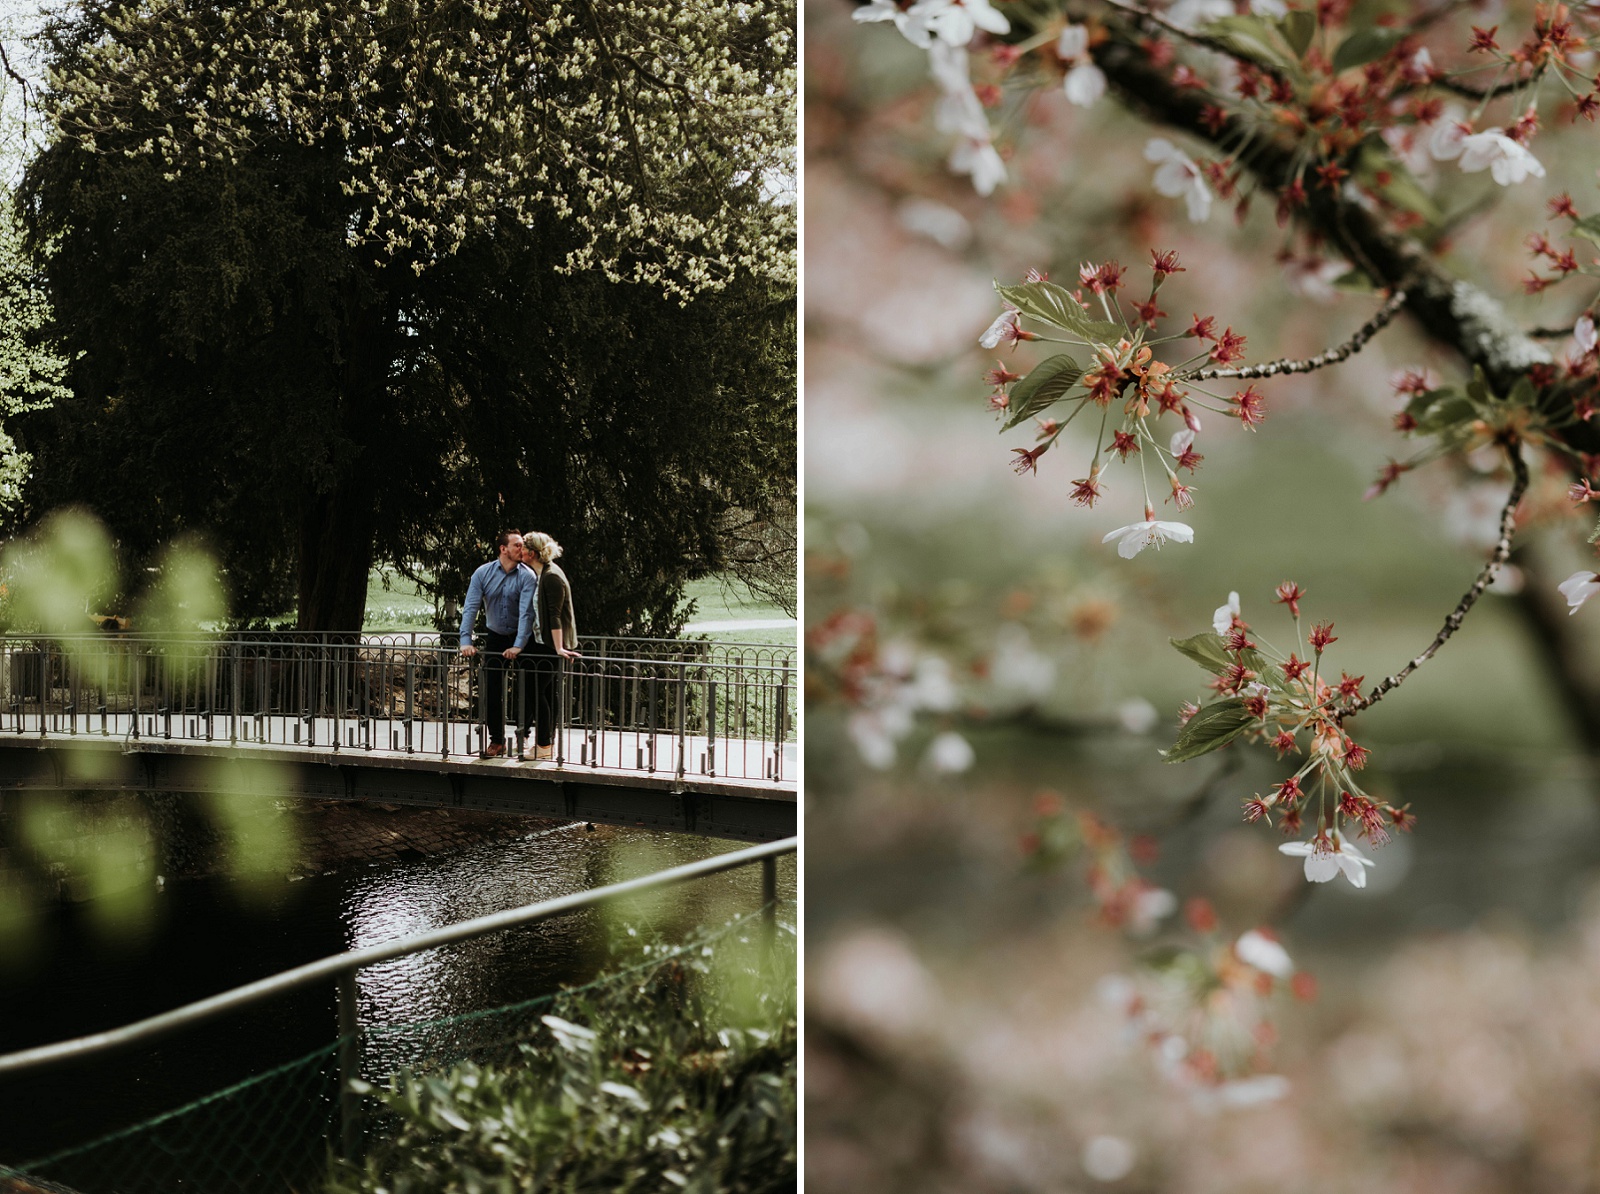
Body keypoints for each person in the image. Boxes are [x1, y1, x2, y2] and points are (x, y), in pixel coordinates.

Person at [458, 530, 537, 757]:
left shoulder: (527, 576)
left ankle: (524, 734)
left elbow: (526, 614)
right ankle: (497, 740)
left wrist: (519, 645)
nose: (522, 550)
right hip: (496, 636)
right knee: (492, 687)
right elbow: (470, 608)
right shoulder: (482, 573)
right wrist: (466, 641)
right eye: (517, 546)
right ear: (503, 549)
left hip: (522, 637)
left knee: (528, 685)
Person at [519, 531, 580, 762]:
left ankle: (544, 744)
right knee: (542, 691)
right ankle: (546, 743)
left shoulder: (551, 576)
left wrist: (558, 648)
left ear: (532, 553)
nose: (520, 551)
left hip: (550, 645)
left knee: (537, 691)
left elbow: (555, 616)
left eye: (523, 548)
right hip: (542, 642)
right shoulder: (541, 573)